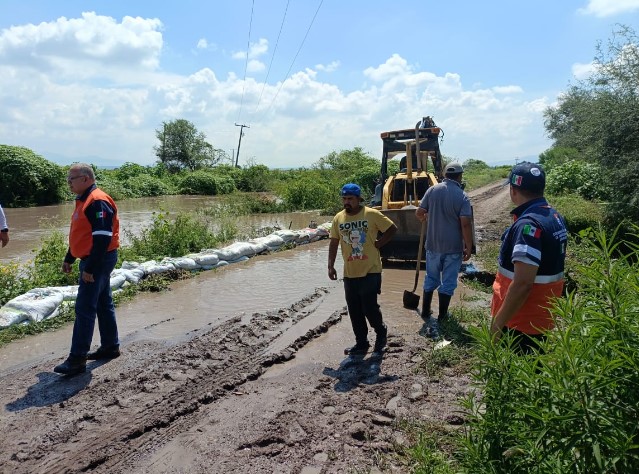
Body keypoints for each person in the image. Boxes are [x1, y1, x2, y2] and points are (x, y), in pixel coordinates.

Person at [490, 162, 568, 354]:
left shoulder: (528, 226)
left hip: (519, 322)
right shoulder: (554, 216)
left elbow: (523, 284)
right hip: (541, 317)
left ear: (513, 190)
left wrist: (497, 326)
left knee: (512, 378)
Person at [54, 163, 122, 375]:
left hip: (98, 260)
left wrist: (90, 268)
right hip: (94, 258)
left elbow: (102, 239)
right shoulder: (84, 200)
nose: (69, 183)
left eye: (71, 179)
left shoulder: (97, 201)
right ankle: (110, 346)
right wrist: (70, 257)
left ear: (85, 178)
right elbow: (82, 233)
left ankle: (76, 360)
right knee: (103, 302)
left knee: (84, 308)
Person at [328, 183, 397, 355]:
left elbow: (392, 229)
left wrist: (380, 243)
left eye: (350, 199)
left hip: (371, 269)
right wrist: (330, 265)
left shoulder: (371, 214)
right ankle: (361, 342)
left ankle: (381, 332)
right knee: (354, 310)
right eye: (344, 198)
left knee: (369, 307)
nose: (347, 202)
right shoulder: (338, 218)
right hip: (350, 272)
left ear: (359, 199)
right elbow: (334, 242)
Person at [415, 162, 473, 333]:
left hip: (432, 245)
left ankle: (425, 311)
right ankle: (442, 316)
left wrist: (424, 217)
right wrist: (468, 246)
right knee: (448, 281)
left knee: (431, 277)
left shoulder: (432, 190)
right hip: (453, 247)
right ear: (460, 176)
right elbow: (465, 224)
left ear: (445, 174)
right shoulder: (462, 196)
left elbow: (419, 212)